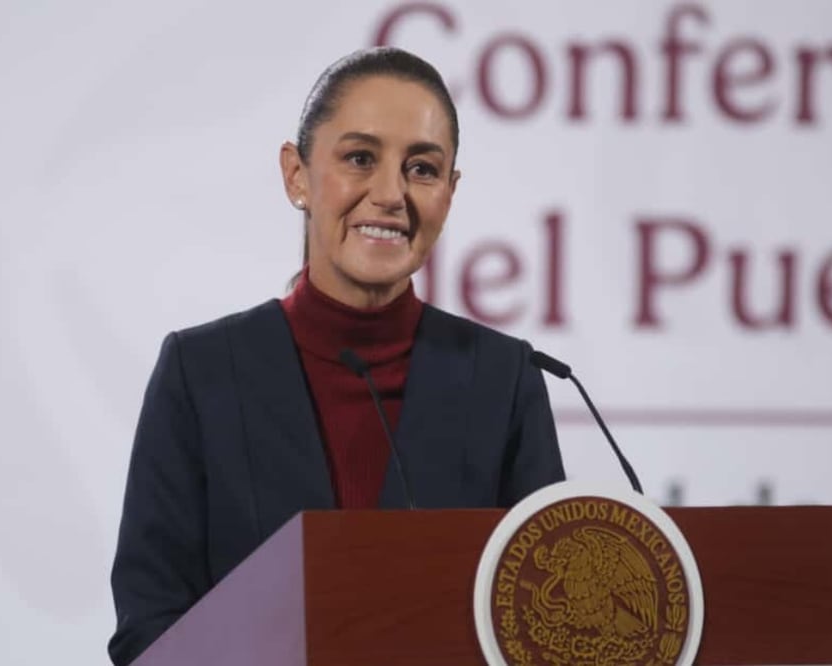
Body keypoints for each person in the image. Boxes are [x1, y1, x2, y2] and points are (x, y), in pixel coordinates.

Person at [107, 46, 566, 666]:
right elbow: (148, 626)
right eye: (359, 158)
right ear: (297, 174)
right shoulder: (202, 372)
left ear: (450, 193)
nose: (390, 194)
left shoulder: (504, 379)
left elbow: (549, 620)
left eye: (422, 169)